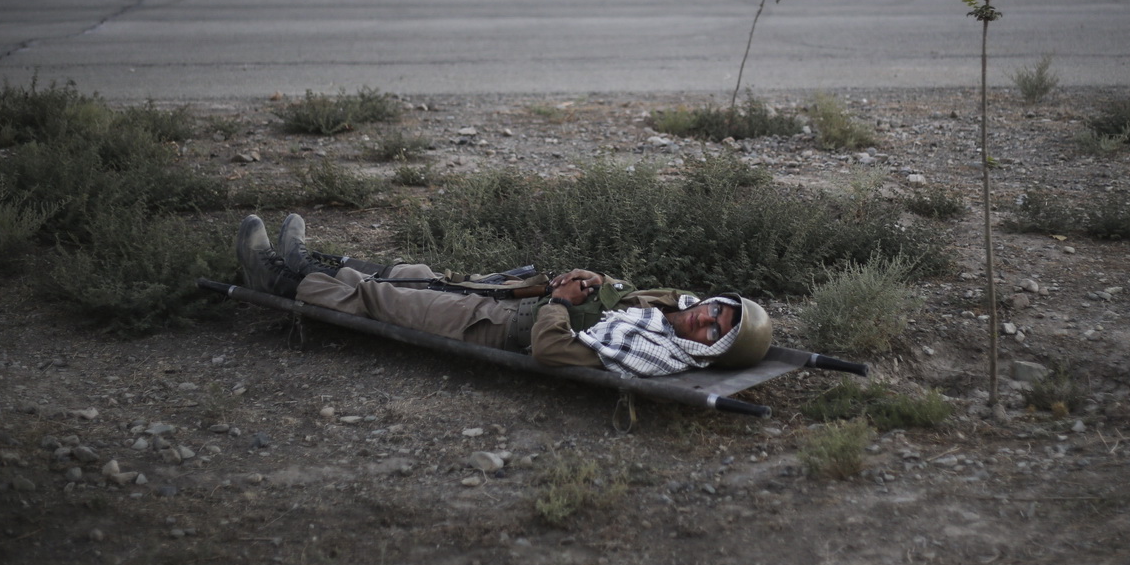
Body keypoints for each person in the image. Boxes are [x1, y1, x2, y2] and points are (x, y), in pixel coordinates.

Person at [234, 214, 773, 376]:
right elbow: (615, 290)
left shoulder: (652, 352)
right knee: (416, 273)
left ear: (709, 350)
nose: (705, 317)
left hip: (498, 327)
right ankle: (306, 264)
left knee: (384, 300)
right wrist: (588, 281)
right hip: (517, 300)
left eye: (714, 330)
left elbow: (552, 351)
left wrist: (561, 303)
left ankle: (278, 279)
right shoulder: (665, 307)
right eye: (716, 308)